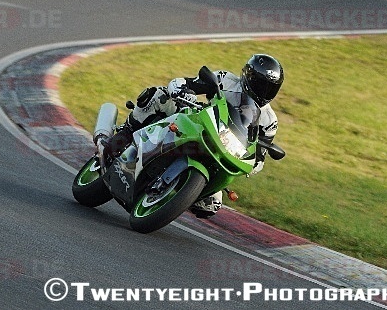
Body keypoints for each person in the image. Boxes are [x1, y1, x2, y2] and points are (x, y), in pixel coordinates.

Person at [95, 53, 284, 219]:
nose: (264, 92)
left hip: (223, 149)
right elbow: (184, 83)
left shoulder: (269, 121)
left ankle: (173, 193)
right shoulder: (226, 80)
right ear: (248, 77)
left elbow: (259, 160)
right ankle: (123, 136)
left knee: (210, 206)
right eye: (260, 84)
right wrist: (183, 91)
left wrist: (252, 162)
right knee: (158, 96)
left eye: (270, 88)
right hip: (199, 125)